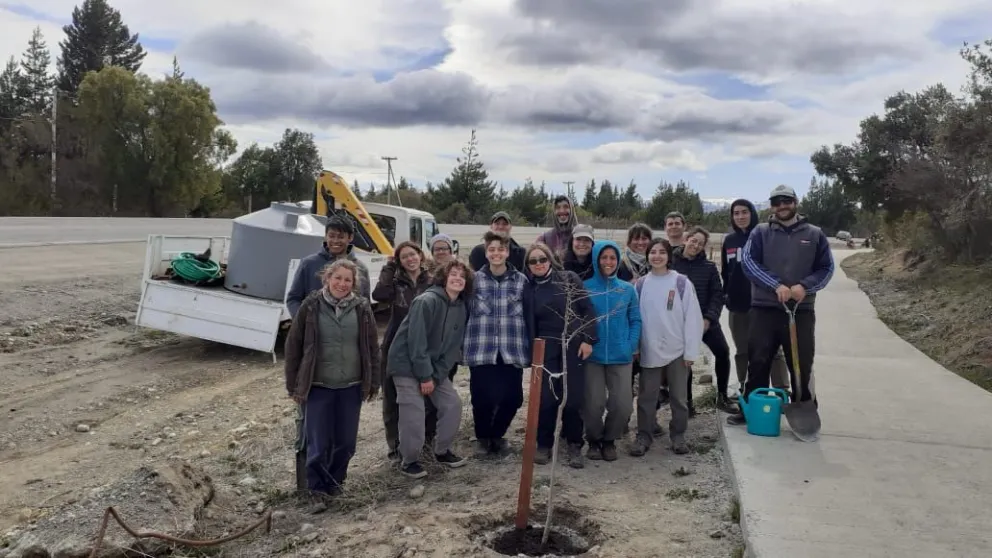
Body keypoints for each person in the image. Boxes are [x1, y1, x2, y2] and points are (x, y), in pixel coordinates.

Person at [727, 185, 835, 426]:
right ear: (772, 206)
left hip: (801, 310)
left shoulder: (815, 234)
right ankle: (752, 408)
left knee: (801, 360)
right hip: (764, 308)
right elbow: (749, 263)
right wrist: (776, 285)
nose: (782, 206)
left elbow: (826, 268)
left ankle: (804, 406)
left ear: (795, 202)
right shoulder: (760, 232)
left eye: (786, 201)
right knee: (758, 360)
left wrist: (804, 286)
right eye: (776, 202)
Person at [283, 259, 380, 513]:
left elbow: (372, 348)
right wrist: (293, 385)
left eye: (347, 280)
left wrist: (373, 382)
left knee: (346, 443)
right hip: (318, 386)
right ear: (327, 278)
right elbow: (293, 346)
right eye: (337, 278)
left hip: (351, 385)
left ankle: (336, 482)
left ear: (353, 284)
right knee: (318, 442)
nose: (342, 283)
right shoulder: (311, 306)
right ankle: (317, 490)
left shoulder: (361, 308)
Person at [387, 260, 472, 478]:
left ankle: (441, 451)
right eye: (453, 274)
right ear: (444, 277)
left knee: (452, 404)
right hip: (406, 364)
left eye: (462, 276)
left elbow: (453, 348)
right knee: (413, 412)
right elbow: (416, 342)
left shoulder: (461, 307)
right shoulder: (426, 301)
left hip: (432, 368)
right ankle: (409, 460)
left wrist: (435, 376)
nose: (457, 279)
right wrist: (425, 377)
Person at [524, 243, 597, 469]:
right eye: (533, 261)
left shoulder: (568, 279)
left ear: (550, 260)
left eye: (542, 259)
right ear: (528, 266)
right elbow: (529, 323)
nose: (538, 264)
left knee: (573, 398)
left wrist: (588, 339)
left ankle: (574, 444)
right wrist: (531, 355)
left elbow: (587, 309)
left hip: (572, 344)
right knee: (546, 399)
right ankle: (544, 443)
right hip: (545, 349)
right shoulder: (529, 289)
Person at [464, 231, 534, 455]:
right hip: (481, 349)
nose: (496, 253)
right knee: (482, 398)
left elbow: (528, 315)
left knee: (513, 398)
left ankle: (498, 434)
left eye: (500, 249)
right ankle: (483, 438)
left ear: (507, 253)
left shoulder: (521, 281)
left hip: (511, 350)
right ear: (486, 253)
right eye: (492, 249)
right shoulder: (473, 281)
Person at [631, 239, 703, 456]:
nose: (657, 256)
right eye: (653, 252)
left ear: (669, 256)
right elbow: (634, 318)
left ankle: (678, 435)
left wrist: (690, 351)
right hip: (650, 349)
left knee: (679, 398)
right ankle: (644, 435)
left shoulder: (681, 283)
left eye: (662, 252)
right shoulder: (641, 284)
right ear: (648, 256)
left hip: (677, 351)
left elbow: (693, 319)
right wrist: (636, 347)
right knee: (647, 396)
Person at [372, 241, 432, 462]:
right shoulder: (395, 283)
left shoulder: (431, 281)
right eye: (404, 257)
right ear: (399, 261)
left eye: (413, 254)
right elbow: (379, 294)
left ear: (420, 256)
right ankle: (395, 446)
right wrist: (389, 268)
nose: (410, 259)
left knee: (426, 396)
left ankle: (424, 441)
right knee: (392, 397)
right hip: (395, 343)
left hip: (424, 345)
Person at [721, 199, 789, 393]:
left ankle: (782, 389)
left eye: (744, 212)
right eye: (736, 213)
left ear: (752, 213)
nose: (740, 216)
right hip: (738, 305)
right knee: (742, 350)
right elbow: (726, 272)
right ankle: (745, 387)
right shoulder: (729, 240)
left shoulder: (764, 236)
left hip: (764, 303)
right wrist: (727, 294)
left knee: (773, 350)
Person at [582, 240, 641, 462]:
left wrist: (630, 345)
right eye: (604, 257)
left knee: (622, 404)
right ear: (597, 260)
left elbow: (635, 319)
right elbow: (578, 319)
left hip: (621, 356)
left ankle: (610, 440)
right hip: (593, 357)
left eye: (613, 258)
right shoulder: (585, 288)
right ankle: (594, 440)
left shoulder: (627, 289)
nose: (608, 262)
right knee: (593, 403)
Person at [672, 226, 737, 413]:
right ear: (685, 239)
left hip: (705, 321)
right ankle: (688, 404)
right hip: (680, 323)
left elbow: (718, 295)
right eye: (693, 240)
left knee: (723, 353)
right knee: (686, 362)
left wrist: (709, 319)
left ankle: (722, 397)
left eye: (700, 243)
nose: (696, 245)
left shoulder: (709, 268)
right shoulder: (672, 264)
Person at [287, 216, 371, 318]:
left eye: (340, 237)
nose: (335, 241)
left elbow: (365, 306)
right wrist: (303, 321)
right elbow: (293, 299)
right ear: (326, 236)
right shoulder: (308, 264)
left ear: (350, 237)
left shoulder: (361, 269)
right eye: (331, 236)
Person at [536, 195, 579, 261]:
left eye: (566, 207)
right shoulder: (544, 238)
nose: (561, 211)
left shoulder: (580, 235)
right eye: (558, 207)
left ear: (572, 210)